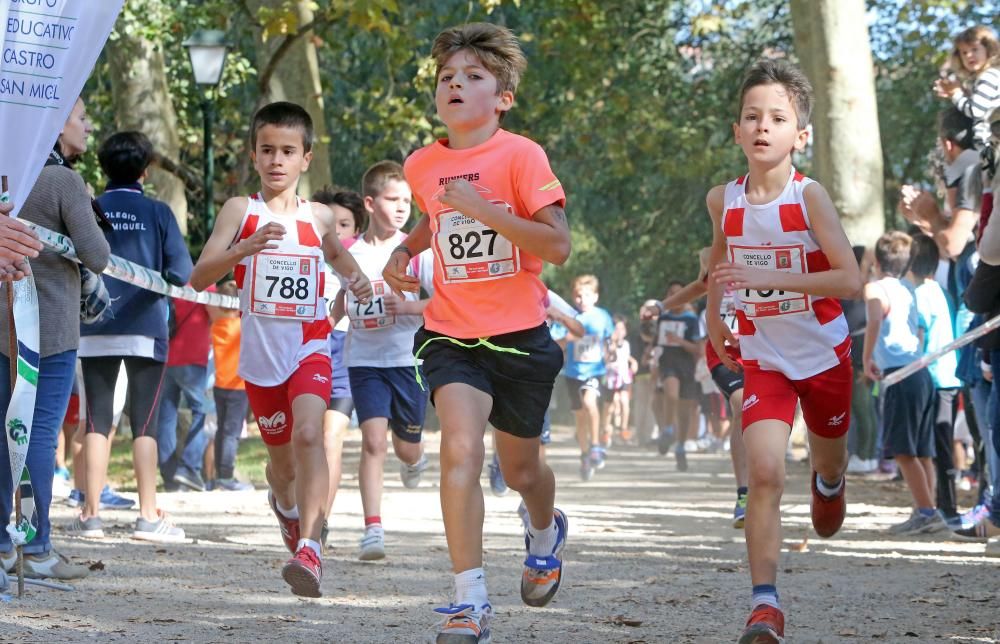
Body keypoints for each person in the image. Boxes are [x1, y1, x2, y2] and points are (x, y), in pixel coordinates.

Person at [382, 23, 570, 642]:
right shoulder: (421, 164)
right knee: (459, 448)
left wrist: (484, 209)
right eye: (446, 78)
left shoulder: (523, 156)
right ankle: (469, 599)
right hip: (451, 335)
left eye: (473, 76)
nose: (456, 85)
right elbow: (435, 221)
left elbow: (557, 245)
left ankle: (544, 530)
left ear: (503, 97)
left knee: (521, 472)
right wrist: (402, 255)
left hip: (520, 335)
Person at [703, 60, 863, 643]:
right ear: (737, 131)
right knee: (765, 471)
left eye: (777, 117)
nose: (762, 127)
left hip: (822, 356)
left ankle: (829, 482)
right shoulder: (724, 199)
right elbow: (721, 264)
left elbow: (848, 281)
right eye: (752, 117)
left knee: (827, 459)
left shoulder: (808, 198)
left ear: (801, 134)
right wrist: (714, 315)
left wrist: (770, 276)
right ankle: (764, 605)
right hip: (762, 356)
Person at [190, 101, 372, 598]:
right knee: (283, 465)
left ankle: (311, 548)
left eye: (287, 151)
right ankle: (286, 508)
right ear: (254, 155)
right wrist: (243, 250)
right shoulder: (240, 212)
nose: (276, 160)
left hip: (309, 344)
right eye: (267, 150)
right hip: (260, 357)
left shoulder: (317, 217)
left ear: (305, 159)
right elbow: (200, 275)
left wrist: (357, 284)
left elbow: (338, 256)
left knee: (311, 435)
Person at [0, 97, 110, 580]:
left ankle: (5, 545)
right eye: (80, 117)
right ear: (54, 122)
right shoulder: (63, 180)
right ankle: (38, 544)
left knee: (5, 433)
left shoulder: (10, 177)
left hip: (3, 326)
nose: (87, 126)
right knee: (40, 435)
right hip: (54, 329)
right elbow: (98, 255)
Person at [74, 130, 192, 543]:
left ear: (103, 169)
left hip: (93, 327)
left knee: (96, 421)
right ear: (145, 171)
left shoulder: (90, 208)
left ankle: (91, 515)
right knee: (144, 424)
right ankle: (147, 515)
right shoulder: (159, 213)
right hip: (145, 329)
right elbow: (182, 274)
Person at [334, 160, 433, 561]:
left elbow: (443, 301)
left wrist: (408, 308)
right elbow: (337, 301)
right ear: (370, 203)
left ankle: (416, 459)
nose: (402, 208)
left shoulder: (417, 250)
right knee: (373, 442)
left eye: (408, 201)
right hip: (364, 359)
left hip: (408, 359)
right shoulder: (348, 253)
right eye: (393, 200)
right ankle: (372, 528)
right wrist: (336, 309)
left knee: (405, 448)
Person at [644, 246, 750, 527]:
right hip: (725, 355)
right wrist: (660, 307)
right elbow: (698, 282)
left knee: (761, 418)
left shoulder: (763, 259)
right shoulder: (720, 263)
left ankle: (768, 483)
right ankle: (744, 495)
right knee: (741, 403)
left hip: (766, 353)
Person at [863, 232, 944, 536]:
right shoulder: (909, 287)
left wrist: (867, 356)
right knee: (922, 450)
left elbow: (873, 321)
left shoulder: (875, 288)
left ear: (877, 260)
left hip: (899, 374)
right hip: (920, 370)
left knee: (903, 451)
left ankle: (926, 512)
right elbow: (919, 330)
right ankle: (926, 508)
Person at [311, 186, 366, 547]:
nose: (335, 231)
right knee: (304, 439)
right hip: (305, 349)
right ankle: (290, 499)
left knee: (331, 438)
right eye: (328, 224)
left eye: (343, 224)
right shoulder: (302, 253)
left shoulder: (364, 258)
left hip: (346, 352)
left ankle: (320, 521)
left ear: (356, 229)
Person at [908, 233, 963, 524]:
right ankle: (943, 504)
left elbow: (919, 335)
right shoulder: (942, 290)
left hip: (933, 377)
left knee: (933, 446)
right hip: (949, 375)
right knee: (941, 443)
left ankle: (944, 508)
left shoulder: (919, 295)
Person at [158, 294, 212, 491]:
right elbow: (217, 314)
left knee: (165, 418)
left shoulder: (170, 280)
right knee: (205, 412)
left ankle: (170, 478)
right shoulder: (205, 281)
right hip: (193, 358)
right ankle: (188, 468)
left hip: (165, 357)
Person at [562, 274, 614, 480]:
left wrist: (610, 352)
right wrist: (569, 338)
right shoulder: (569, 316)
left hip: (594, 371)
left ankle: (596, 446)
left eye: (586, 295)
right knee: (579, 416)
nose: (581, 300)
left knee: (589, 403)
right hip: (572, 372)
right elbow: (560, 341)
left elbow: (610, 338)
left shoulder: (602, 316)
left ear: (595, 296)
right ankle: (584, 455)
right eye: (577, 296)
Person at [934, 25, 1000, 176]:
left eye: (975, 49)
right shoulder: (983, 78)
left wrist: (957, 95)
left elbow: (976, 111)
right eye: (964, 52)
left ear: (988, 50)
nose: (969, 55)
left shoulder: (988, 77)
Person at [206, 279, 253, 491]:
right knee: (232, 432)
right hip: (238, 386)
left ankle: (218, 475)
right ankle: (226, 476)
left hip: (220, 385)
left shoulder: (217, 326)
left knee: (221, 431)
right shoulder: (242, 326)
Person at [652, 280, 703, 471]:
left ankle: (680, 446)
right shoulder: (663, 318)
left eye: (679, 293)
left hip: (687, 367)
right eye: (671, 293)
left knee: (684, 412)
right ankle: (667, 429)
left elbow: (698, 350)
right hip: (668, 364)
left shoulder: (691, 319)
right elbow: (656, 342)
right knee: (670, 394)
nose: (676, 297)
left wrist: (679, 341)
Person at [604, 314, 638, 443]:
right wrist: (611, 347)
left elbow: (626, 356)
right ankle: (606, 429)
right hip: (610, 377)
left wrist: (633, 362)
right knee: (610, 405)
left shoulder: (626, 344)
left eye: (622, 329)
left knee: (625, 402)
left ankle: (624, 429)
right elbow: (606, 359)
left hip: (623, 377)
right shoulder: (607, 343)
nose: (619, 332)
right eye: (616, 329)